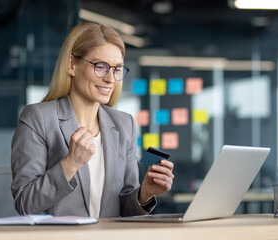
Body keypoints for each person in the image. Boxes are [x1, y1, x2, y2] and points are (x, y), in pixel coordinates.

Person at [11, 21, 174, 218]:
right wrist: (70, 163)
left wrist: (145, 193)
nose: (110, 79)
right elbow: (25, 202)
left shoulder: (125, 125)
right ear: (72, 64)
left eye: (116, 69)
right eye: (101, 66)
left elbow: (124, 210)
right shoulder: (39, 118)